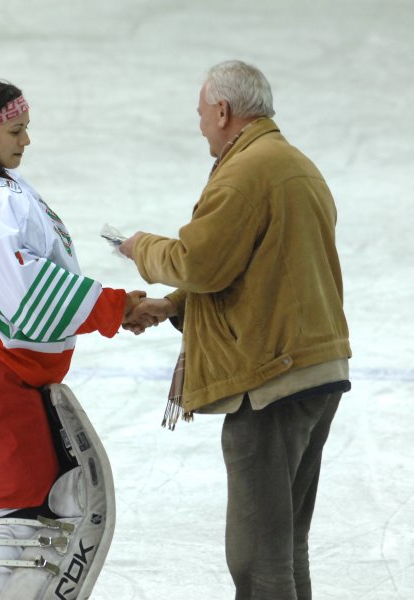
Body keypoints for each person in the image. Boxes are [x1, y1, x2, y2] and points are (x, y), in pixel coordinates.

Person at [119, 60, 352, 600]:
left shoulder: (247, 170)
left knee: (256, 557)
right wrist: (174, 306)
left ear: (223, 112)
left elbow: (199, 261)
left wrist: (140, 249)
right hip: (315, 370)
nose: (200, 125)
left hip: (272, 379)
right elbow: (262, 267)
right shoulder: (294, 164)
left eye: (202, 115)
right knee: (285, 544)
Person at [0, 78, 144, 600]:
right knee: (36, 508)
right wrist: (117, 307)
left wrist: (115, 307)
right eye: (15, 130)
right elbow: (24, 290)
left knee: (18, 502)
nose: (25, 141)